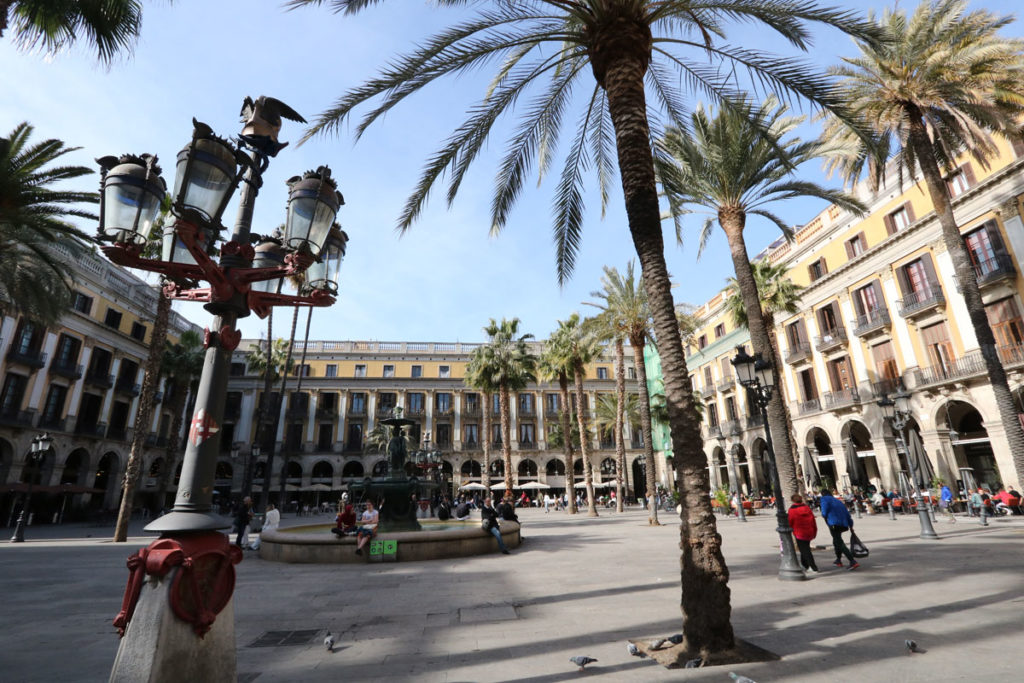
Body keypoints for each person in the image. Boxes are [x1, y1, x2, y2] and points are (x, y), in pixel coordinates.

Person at [819, 488, 859, 570]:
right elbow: (847, 513)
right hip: (843, 524)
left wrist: (824, 516)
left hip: (833, 523)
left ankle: (852, 561)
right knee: (836, 540)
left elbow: (824, 512)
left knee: (839, 542)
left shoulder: (824, 499)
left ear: (822, 494)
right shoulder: (837, 501)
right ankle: (838, 560)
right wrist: (851, 525)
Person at [787, 494, 819, 573]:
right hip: (809, 531)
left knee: (805, 550)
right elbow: (813, 520)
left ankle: (813, 567)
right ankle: (805, 565)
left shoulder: (792, 510)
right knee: (804, 548)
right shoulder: (807, 508)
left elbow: (790, 521)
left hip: (799, 532)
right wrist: (814, 530)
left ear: (793, 500)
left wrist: (789, 528)